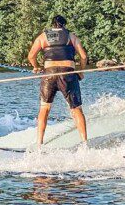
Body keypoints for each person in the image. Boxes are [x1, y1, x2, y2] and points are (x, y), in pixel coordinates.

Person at [26, 15, 89, 146]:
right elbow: (83, 56)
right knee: (76, 109)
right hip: (68, 74)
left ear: (52, 25)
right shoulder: (71, 36)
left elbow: (31, 55)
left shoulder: (43, 36)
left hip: (49, 75)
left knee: (44, 108)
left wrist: (36, 67)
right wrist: (81, 72)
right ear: (63, 25)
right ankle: (84, 143)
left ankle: (39, 143)